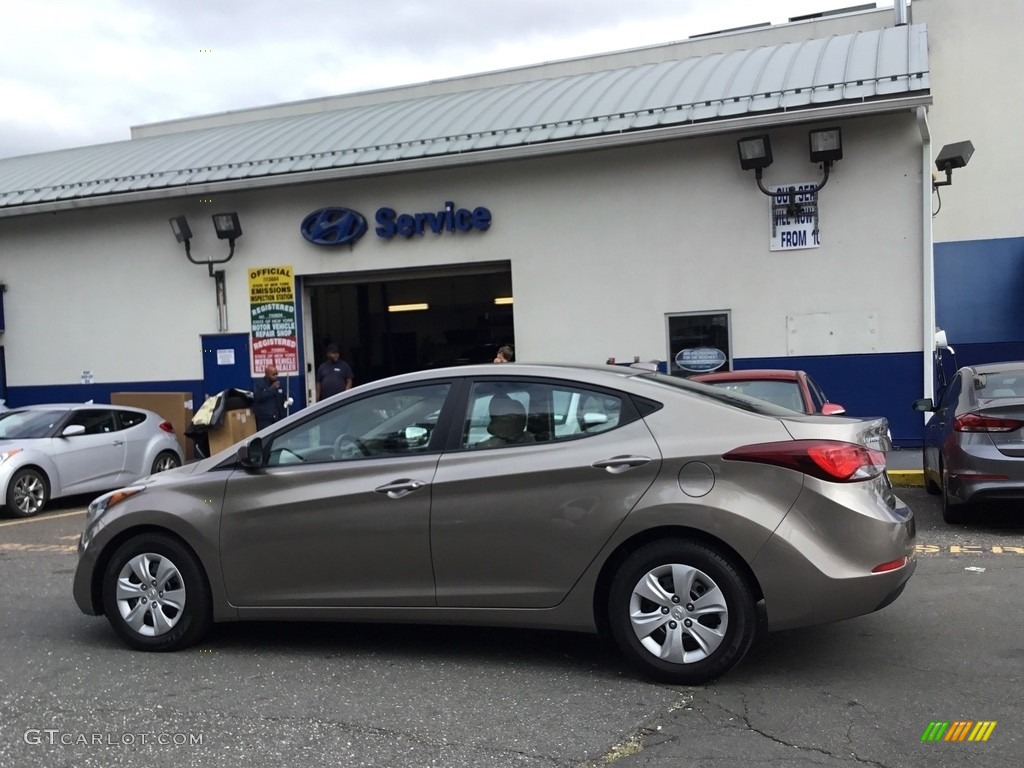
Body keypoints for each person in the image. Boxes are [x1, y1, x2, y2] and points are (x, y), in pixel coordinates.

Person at [253, 365, 292, 431]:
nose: (276, 376)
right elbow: (258, 397)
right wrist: (271, 388)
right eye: (273, 375)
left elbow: (282, 396)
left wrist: (287, 400)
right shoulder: (259, 384)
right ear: (267, 374)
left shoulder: (278, 384)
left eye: (277, 374)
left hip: (277, 418)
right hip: (265, 420)